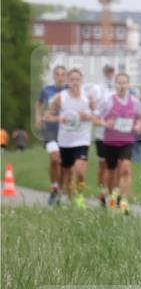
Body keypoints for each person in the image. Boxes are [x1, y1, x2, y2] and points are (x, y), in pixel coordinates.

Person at [44, 69, 96, 209]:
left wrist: (88, 116)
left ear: (82, 80)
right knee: (67, 173)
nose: (75, 82)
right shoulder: (61, 97)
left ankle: (80, 195)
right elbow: (47, 116)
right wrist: (59, 118)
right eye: (72, 79)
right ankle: (72, 197)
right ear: (67, 81)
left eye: (77, 79)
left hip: (82, 139)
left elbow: (95, 115)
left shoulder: (87, 97)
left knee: (80, 172)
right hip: (65, 141)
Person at [99, 72, 141, 214]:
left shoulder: (134, 101)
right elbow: (95, 117)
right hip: (110, 141)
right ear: (115, 85)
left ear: (128, 85)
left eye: (125, 83)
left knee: (125, 169)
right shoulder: (108, 101)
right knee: (112, 172)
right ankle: (112, 198)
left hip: (127, 141)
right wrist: (106, 123)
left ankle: (124, 201)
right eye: (119, 83)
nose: (122, 85)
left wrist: (139, 125)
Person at [35, 65, 67, 205]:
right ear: (54, 76)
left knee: (63, 163)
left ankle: (59, 190)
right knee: (54, 158)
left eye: (62, 74)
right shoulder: (47, 90)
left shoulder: (70, 91)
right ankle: (54, 186)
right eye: (57, 74)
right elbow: (38, 104)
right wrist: (38, 117)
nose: (60, 77)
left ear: (65, 77)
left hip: (66, 131)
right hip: (49, 129)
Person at [92, 64, 116, 207]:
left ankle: (113, 195)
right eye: (107, 72)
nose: (109, 74)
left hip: (117, 135)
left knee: (115, 167)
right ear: (104, 73)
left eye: (111, 71)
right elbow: (94, 110)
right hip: (102, 134)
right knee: (103, 166)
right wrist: (103, 123)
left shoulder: (117, 88)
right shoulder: (97, 89)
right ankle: (102, 193)